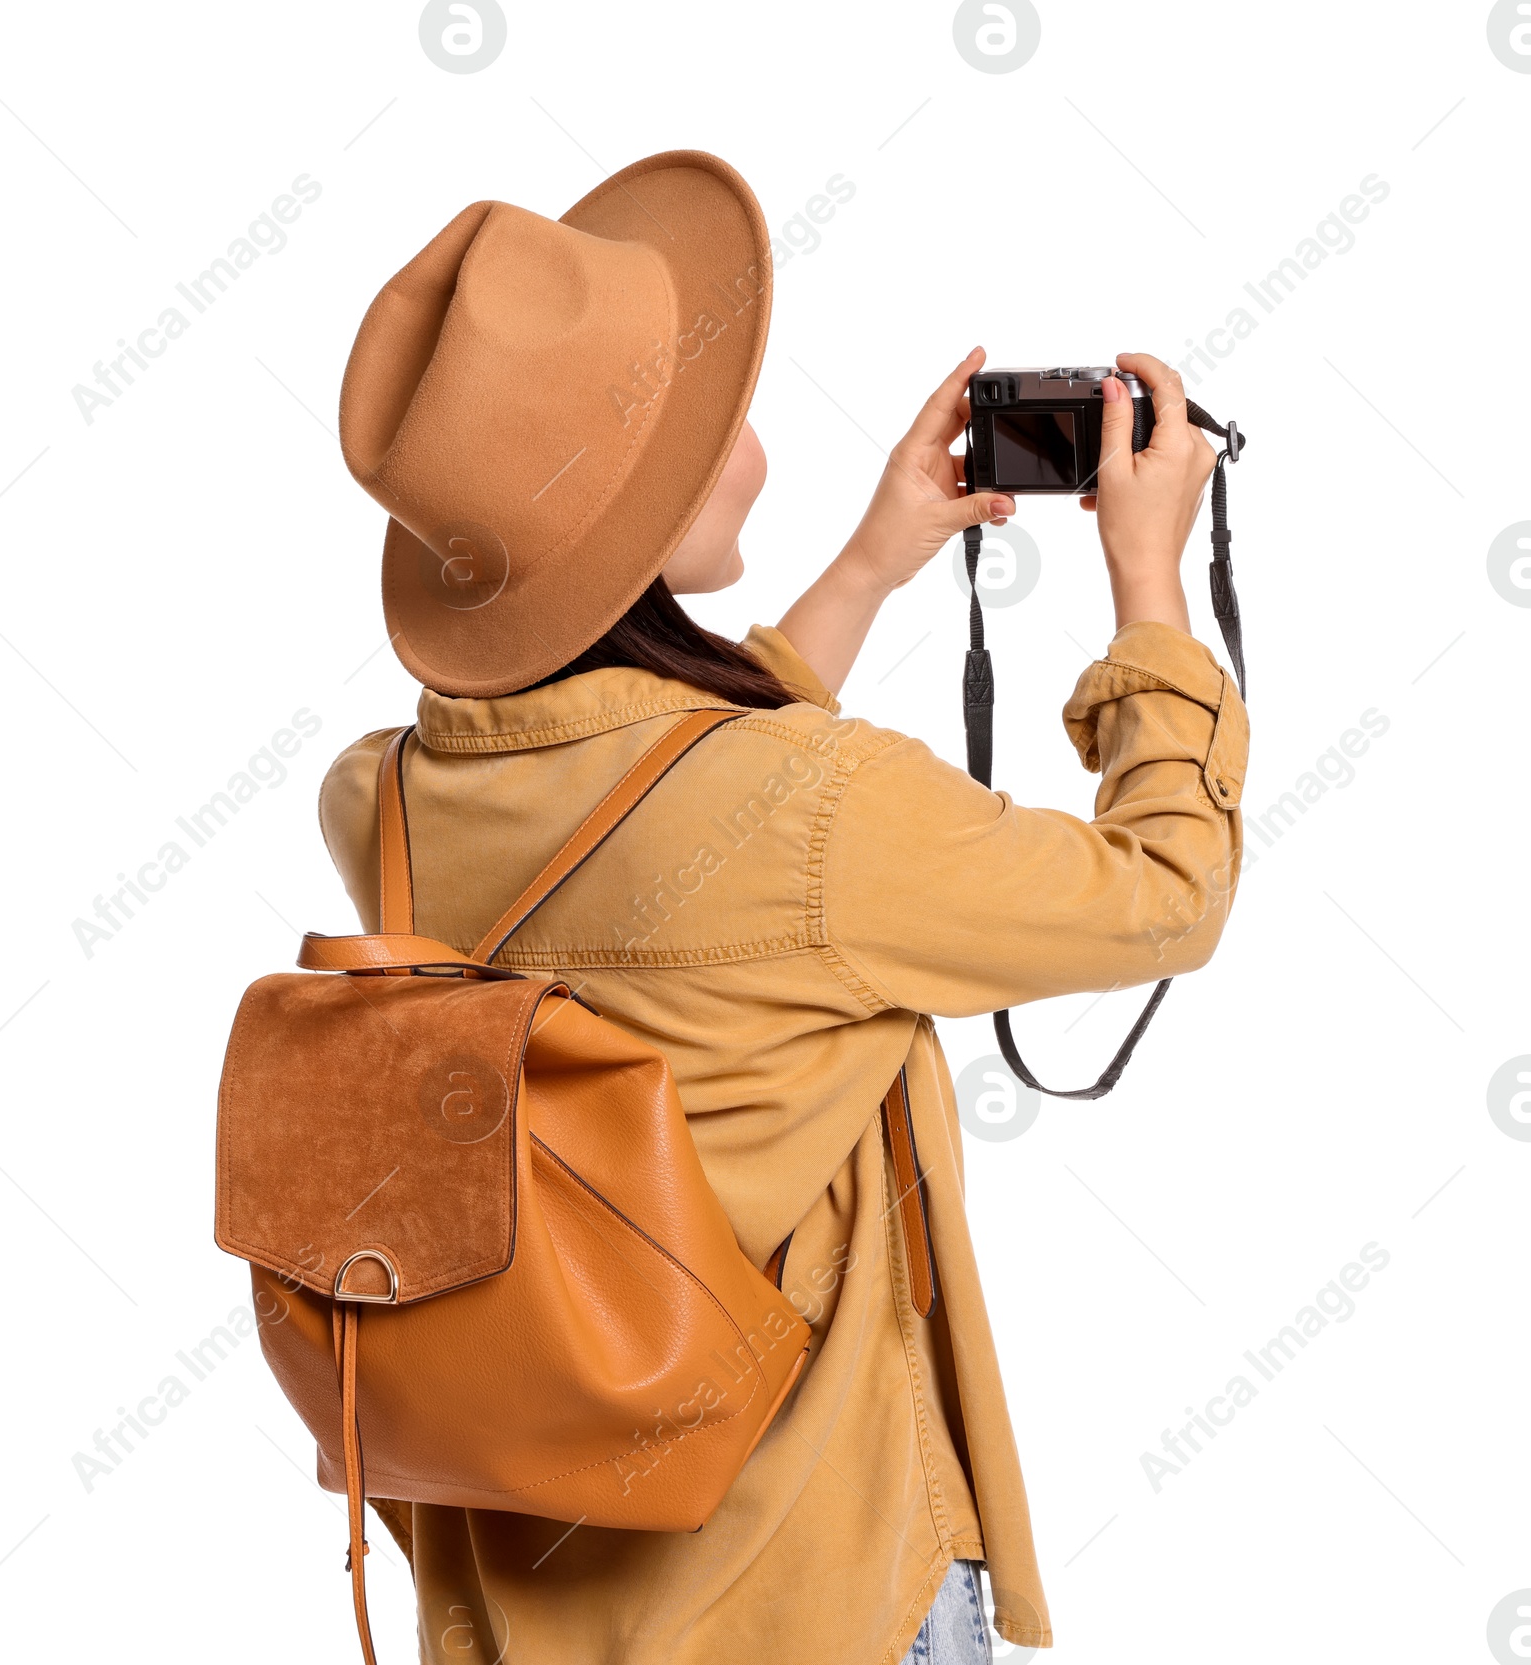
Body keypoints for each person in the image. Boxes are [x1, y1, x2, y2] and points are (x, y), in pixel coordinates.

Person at [321, 149, 1247, 1665]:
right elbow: (1165, 892)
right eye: (714, 424)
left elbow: (654, 806)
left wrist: (879, 559)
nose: (750, 443)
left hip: (514, 1602)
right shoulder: (813, 809)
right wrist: (1151, 585)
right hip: (810, 1591)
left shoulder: (390, 806)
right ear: (655, 506)